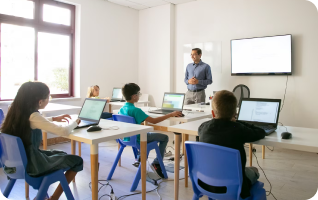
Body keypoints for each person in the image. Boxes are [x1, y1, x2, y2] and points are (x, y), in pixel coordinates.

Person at [1, 82, 83, 200]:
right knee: (77, 160)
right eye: (48, 97)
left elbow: (34, 121)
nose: (48, 100)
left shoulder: (14, 111)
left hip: (14, 164)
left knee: (61, 154)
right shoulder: (33, 115)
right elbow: (64, 132)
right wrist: (76, 122)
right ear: (40, 101)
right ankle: (53, 198)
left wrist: (54, 118)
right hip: (32, 165)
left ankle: (43, 195)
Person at [198, 90, 265, 199]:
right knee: (254, 170)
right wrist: (237, 121)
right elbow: (260, 132)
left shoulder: (203, 127)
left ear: (213, 113)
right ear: (234, 113)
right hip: (235, 187)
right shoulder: (238, 129)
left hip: (205, 184)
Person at [119, 83, 182, 178]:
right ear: (134, 96)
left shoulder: (122, 109)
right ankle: (156, 163)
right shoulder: (136, 110)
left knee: (147, 132)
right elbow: (154, 121)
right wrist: (171, 114)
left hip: (126, 139)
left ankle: (140, 157)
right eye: (138, 94)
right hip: (139, 139)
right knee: (164, 137)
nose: (139, 96)